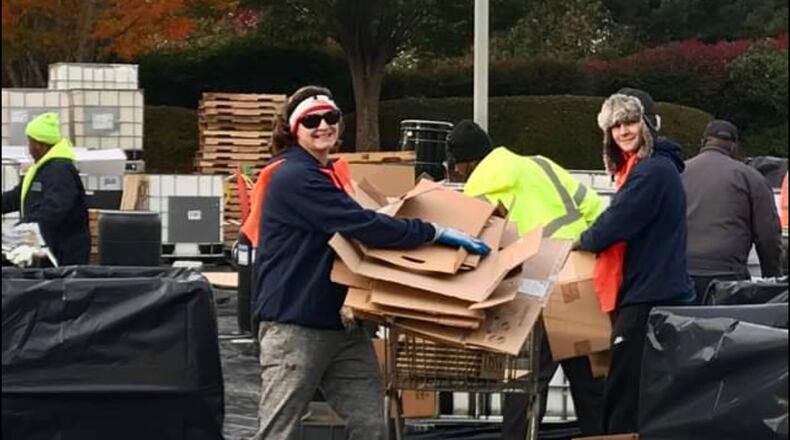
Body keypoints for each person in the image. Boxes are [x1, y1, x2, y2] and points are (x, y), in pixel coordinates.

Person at [241, 85, 490, 440]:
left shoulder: (326, 174)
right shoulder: (295, 177)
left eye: (331, 117)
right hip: (294, 325)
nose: (323, 125)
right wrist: (432, 232)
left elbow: (357, 226)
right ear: (294, 129)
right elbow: (361, 225)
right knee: (278, 430)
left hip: (339, 325)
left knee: (371, 423)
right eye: (312, 120)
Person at [448, 119, 606, 437]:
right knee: (589, 383)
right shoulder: (542, 165)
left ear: (465, 163)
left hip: (532, 293)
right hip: (577, 282)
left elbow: (481, 250)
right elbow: (596, 208)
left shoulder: (478, 189)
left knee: (527, 382)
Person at [576, 88, 696, 434]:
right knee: (643, 390)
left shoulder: (651, 172)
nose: (623, 132)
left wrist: (582, 241)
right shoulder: (654, 168)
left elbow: (614, 224)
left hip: (647, 295)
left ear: (648, 124)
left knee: (622, 392)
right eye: (615, 126)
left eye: (629, 121)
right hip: (659, 290)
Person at [682, 120, 783, 300]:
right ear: (734, 146)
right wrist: (772, 279)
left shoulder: (678, 172)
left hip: (679, 274)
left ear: (703, 142)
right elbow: (768, 236)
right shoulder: (751, 177)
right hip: (727, 277)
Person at [1, 112, 90, 266]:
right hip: (46, 249)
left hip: (62, 254)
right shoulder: (41, 169)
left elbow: (55, 209)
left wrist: (21, 229)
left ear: (38, 144)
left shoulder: (60, 170)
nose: (28, 149)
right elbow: (17, 196)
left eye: (29, 143)